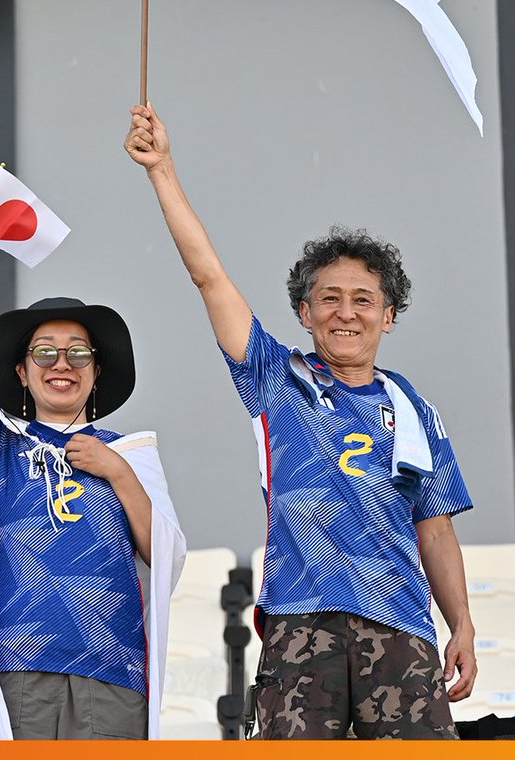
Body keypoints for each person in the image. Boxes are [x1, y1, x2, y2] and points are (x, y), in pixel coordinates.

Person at [125, 103, 476, 741]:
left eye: (364, 299)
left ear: (389, 315)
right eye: (330, 299)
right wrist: (162, 171)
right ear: (303, 311)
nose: (347, 313)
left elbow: (436, 528)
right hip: (299, 622)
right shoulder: (275, 377)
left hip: (402, 625)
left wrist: (463, 624)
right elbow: (208, 278)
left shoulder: (413, 406)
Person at [0, 292, 185, 740]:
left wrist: (117, 471)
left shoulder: (129, 453)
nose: (61, 364)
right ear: (22, 370)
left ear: (95, 371)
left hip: (111, 667)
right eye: (44, 352)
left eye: (78, 352)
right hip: (17, 663)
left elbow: (164, 555)